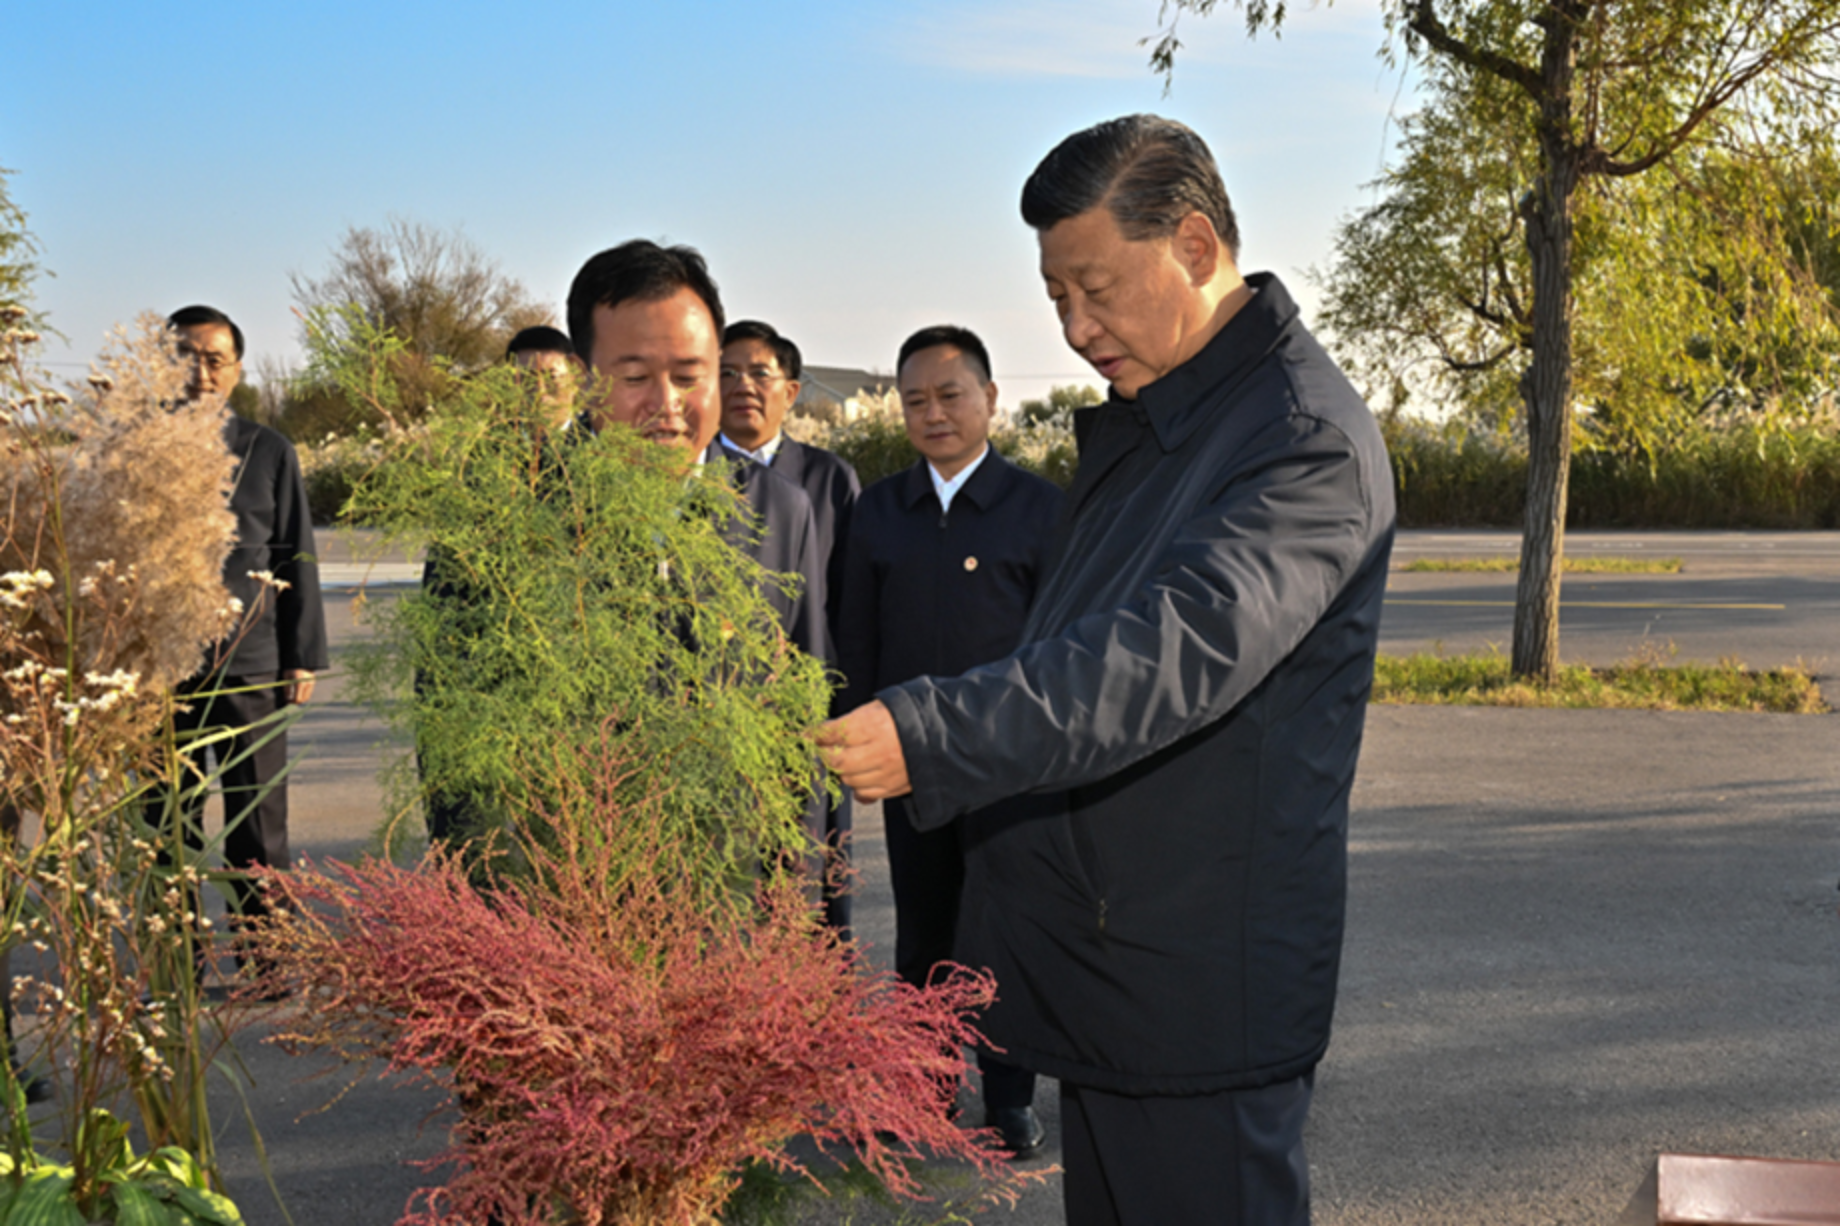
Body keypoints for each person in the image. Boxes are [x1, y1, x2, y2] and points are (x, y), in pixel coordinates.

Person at [820, 115, 1395, 1224]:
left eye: (1095, 290)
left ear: (1192, 245)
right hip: (1115, 969)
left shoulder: (1297, 439)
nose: (1077, 329)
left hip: (1196, 984)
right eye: (1055, 298)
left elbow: (1162, 654)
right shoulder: (1161, 417)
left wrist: (934, 732)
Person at [835, 323, 1061, 1155]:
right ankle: (921, 1088)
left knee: (1002, 933)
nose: (932, 413)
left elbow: (1060, 647)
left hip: (1008, 766)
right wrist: (855, 735)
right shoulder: (877, 510)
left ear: (990, 398)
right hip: (912, 761)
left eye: (949, 394)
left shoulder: (1040, 508)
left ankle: (1009, 1097)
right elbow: (855, 634)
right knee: (924, 932)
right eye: (914, 400)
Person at [565, 241, 832, 847]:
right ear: (584, 381)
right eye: (635, 378)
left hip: (732, 877)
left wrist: (796, 891)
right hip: (573, 878)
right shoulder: (513, 517)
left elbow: (802, 716)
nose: (666, 406)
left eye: (689, 377)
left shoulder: (780, 511)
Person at [164, 305, 328, 938]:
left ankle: (266, 963)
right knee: (164, 823)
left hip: (249, 663)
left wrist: (301, 656)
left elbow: (297, 552)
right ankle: (173, 964)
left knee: (258, 824)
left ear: (236, 370)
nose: (201, 374)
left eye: (215, 361)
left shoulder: (269, 450)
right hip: (156, 668)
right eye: (185, 358)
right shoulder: (134, 450)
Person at [718, 318, 861, 929]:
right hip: (717, 714)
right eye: (726, 373)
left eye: (759, 373)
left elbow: (850, 601)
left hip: (806, 708)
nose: (742, 385)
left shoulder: (830, 479)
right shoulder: (692, 476)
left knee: (809, 871)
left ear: (791, 391)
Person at [504, 324, 584, 431]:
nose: (539, 392)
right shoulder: (490, 437)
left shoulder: (597, 436)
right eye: (527, 379)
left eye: (551, 377)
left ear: (576, 378)